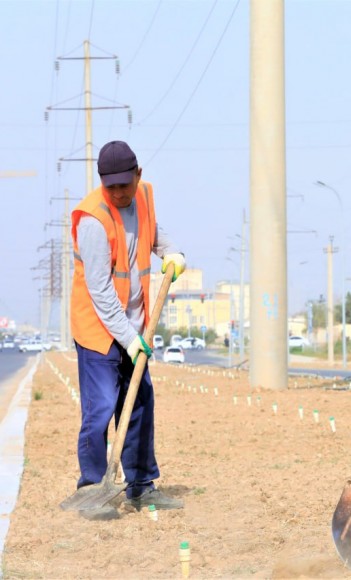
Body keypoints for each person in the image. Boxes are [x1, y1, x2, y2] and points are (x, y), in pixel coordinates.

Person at [70, 140, 186, 517]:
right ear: (102, 182)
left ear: (138, 175)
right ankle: (92, 487)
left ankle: (140, 487)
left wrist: (169, 250)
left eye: (125, 184)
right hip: (99, 330)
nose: (119, 193)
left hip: (134, 326)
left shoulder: (144, 196)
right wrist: (129, 340)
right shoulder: (93, 219)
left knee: (138, 406)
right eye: (111, 186)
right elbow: (101, 291)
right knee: (101, 408)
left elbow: (153, 232)